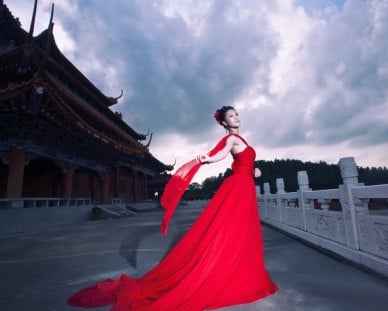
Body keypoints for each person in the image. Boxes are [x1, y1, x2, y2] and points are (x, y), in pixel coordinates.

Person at [68, 106, 278, 310]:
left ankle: (241, 271)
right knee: (231, 231)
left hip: (245, 186)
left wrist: (254, 169)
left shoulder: (242, 140)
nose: (236, 117)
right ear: (224, 122)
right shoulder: (231, 139)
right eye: (231, 116)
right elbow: (222, 153)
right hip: (238, 189)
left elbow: (242, 160)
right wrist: (207, 158)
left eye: (236, 114)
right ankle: (229, 273)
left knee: (244, 231)